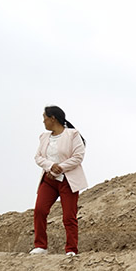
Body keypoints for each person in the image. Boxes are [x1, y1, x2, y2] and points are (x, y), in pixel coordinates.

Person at [31, 106, 87, 256]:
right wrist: (51, 166)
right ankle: (41, 246)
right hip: (49, 180)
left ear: (53, 118)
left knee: (69, 216)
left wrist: (59, 168)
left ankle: (71, 249)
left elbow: (78, 157)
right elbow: (38, 157)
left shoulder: (73, 134)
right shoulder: (44, 137)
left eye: (45, 117)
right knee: (40, 210)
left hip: (67, 181)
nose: (43, 121)